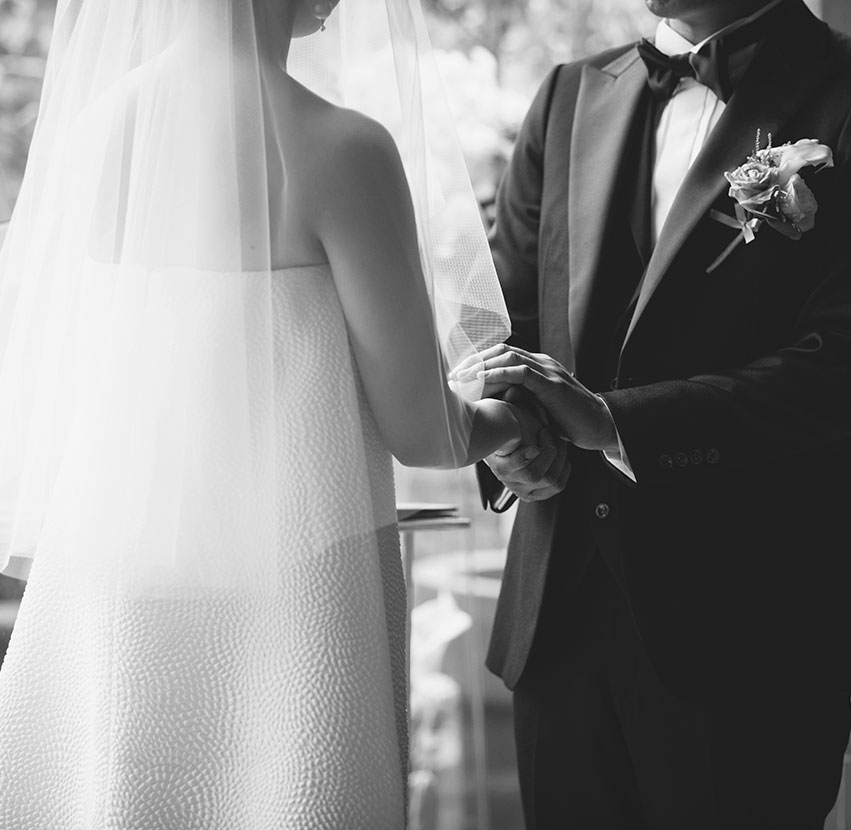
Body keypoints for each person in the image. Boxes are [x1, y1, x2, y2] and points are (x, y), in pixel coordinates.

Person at [0, 0, 536, 827]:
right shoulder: (338, 149)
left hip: (111, 588)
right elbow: (428, 431)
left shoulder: (97, 125)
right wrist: (528, 417)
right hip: (292, 606)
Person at [464, 0, 851, 827]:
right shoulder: (567, 93)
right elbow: (501, 326)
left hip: (752, 633)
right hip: (560, 627)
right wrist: (507, 440)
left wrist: (614, 422)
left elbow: (846, 367)